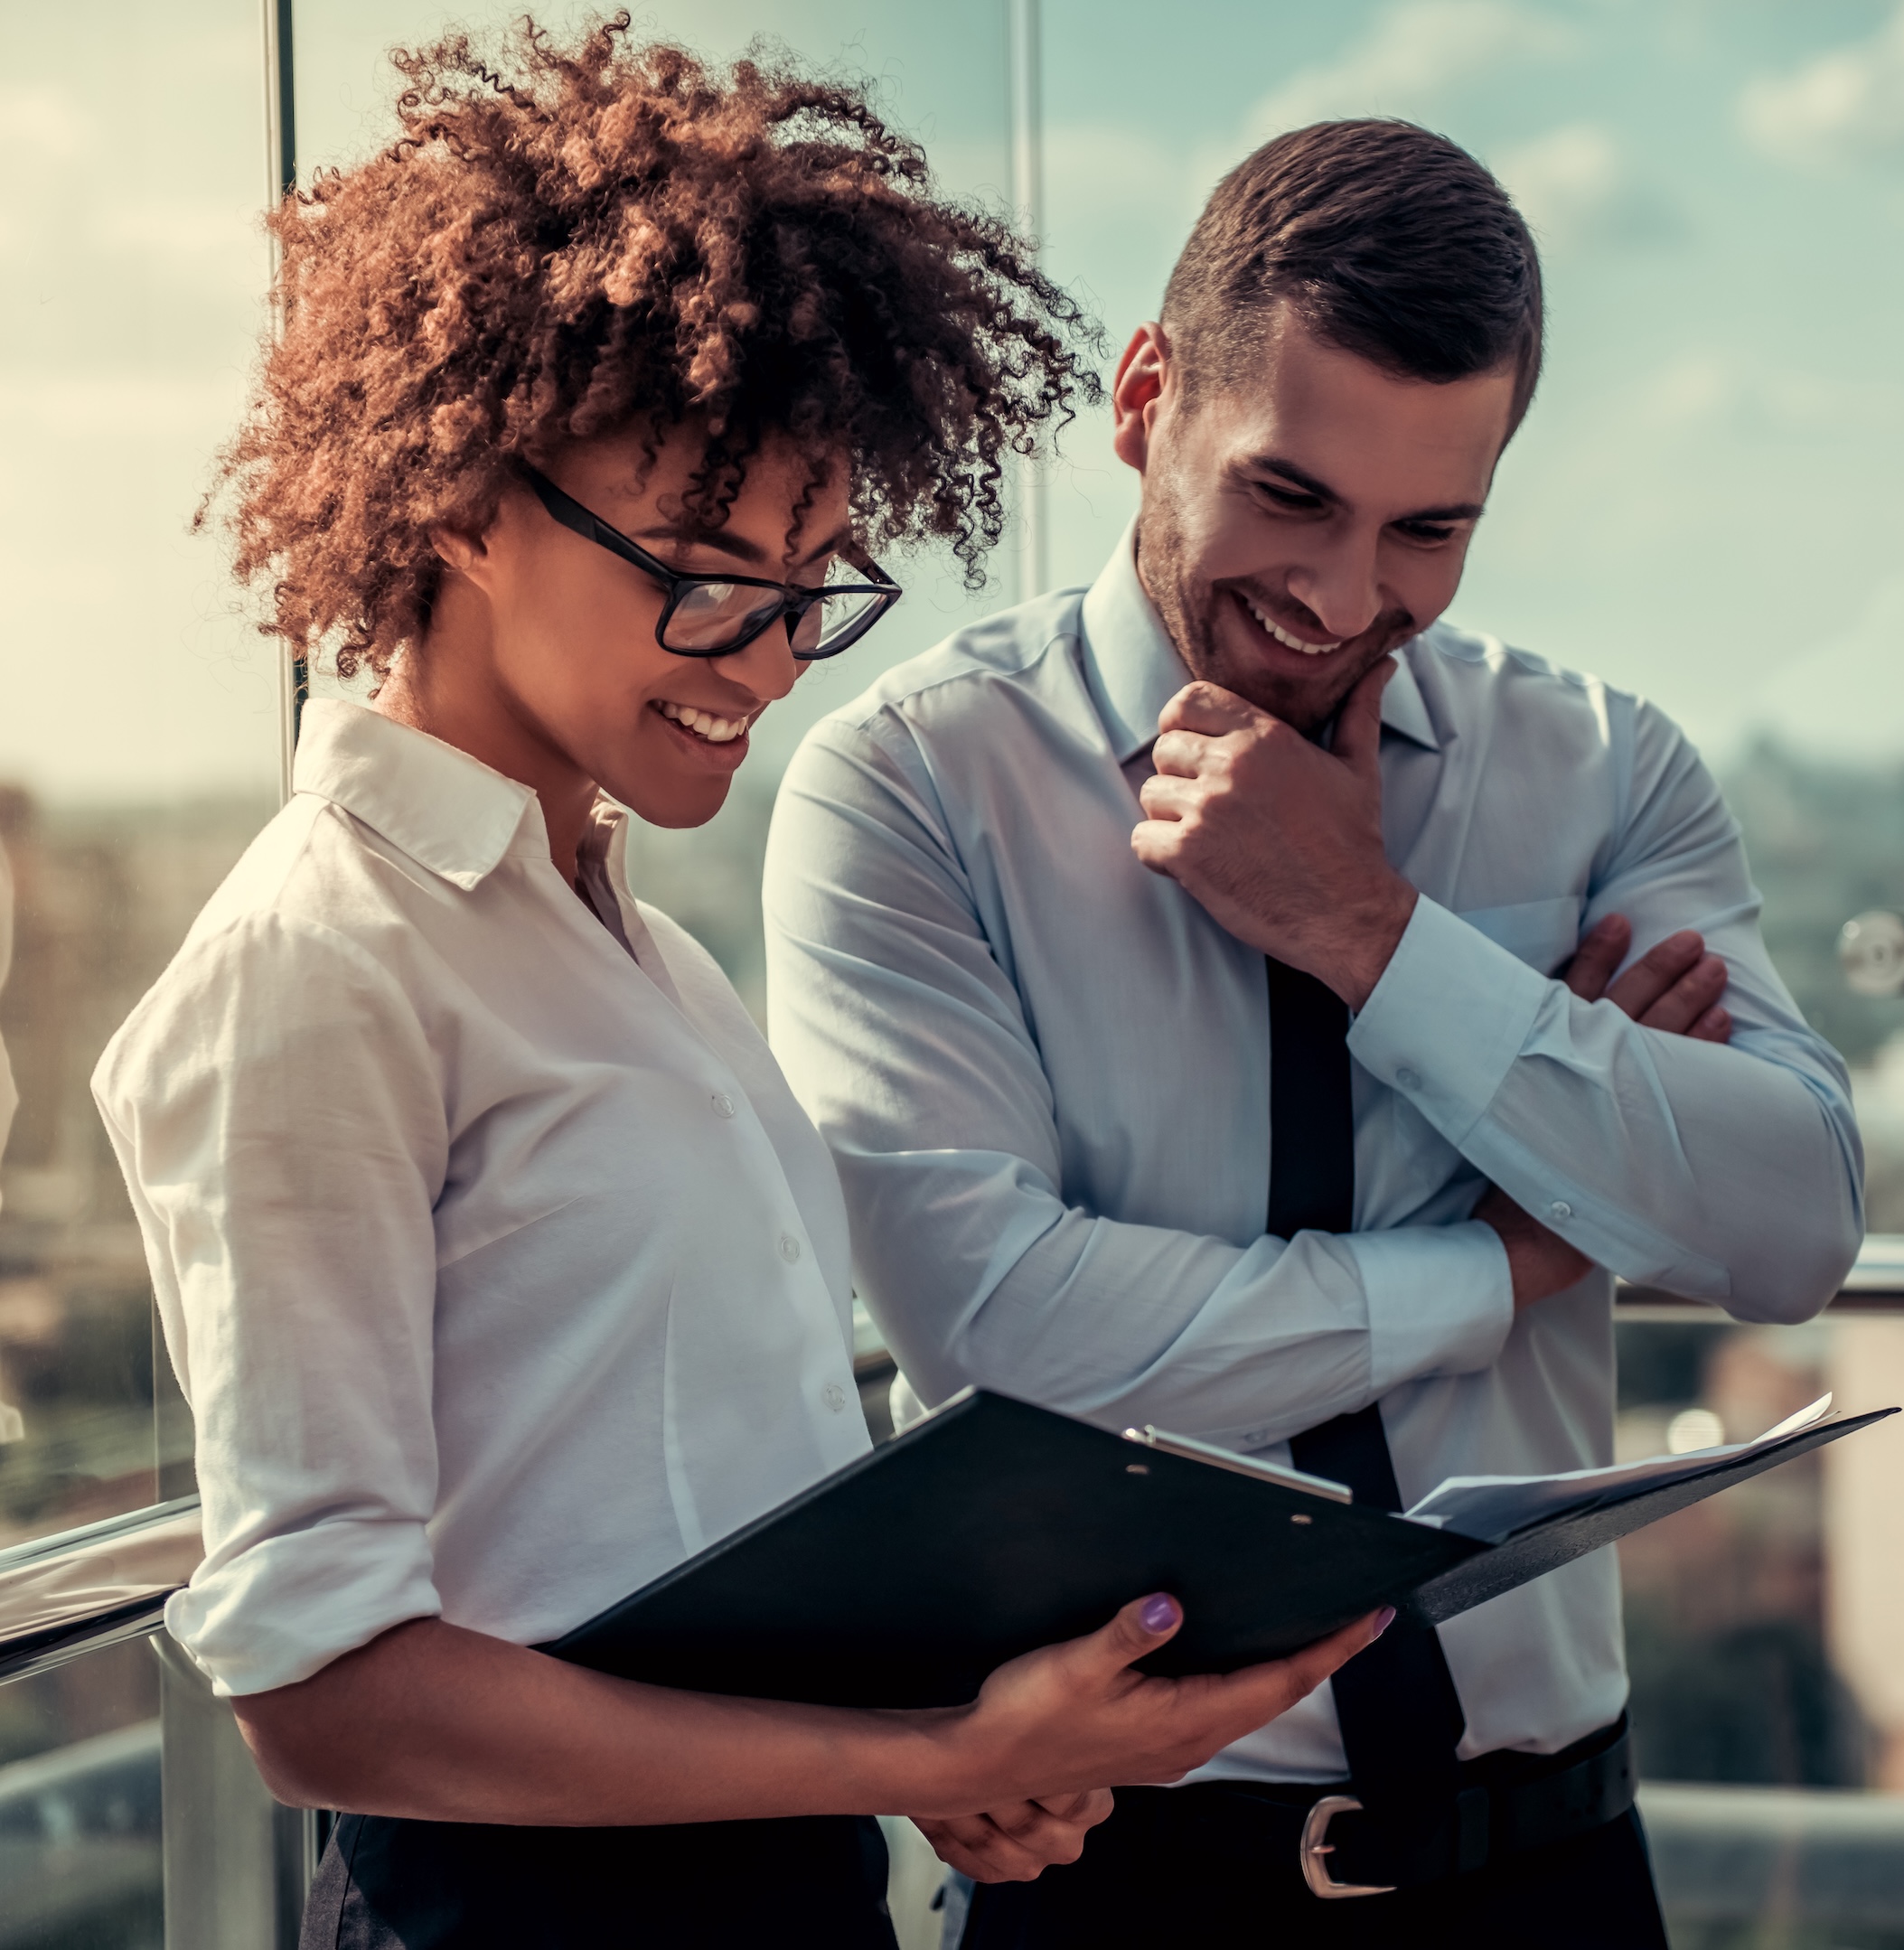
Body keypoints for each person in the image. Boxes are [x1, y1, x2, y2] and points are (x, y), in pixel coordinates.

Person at [88, 29, 1383, 1950]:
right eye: (704, 576)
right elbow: (321, 1690)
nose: (771, 662)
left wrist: (955, 1744)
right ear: (457, 497)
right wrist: (912, 1757)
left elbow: (662, 1516)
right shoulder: (320, 966)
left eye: (811, 585)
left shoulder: (638, 949)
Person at [763, 118, 1864, 1946]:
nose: (1347, 598)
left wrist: (1371, 932)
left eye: (1426, 528)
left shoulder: (1596, 771)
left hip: (1557, 1868)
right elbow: (1002, 1330)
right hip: (1121, 1883)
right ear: (1139, 400)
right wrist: (1511, 1245)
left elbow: (1791, 1220)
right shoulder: (909, 792)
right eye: (1287, 497)